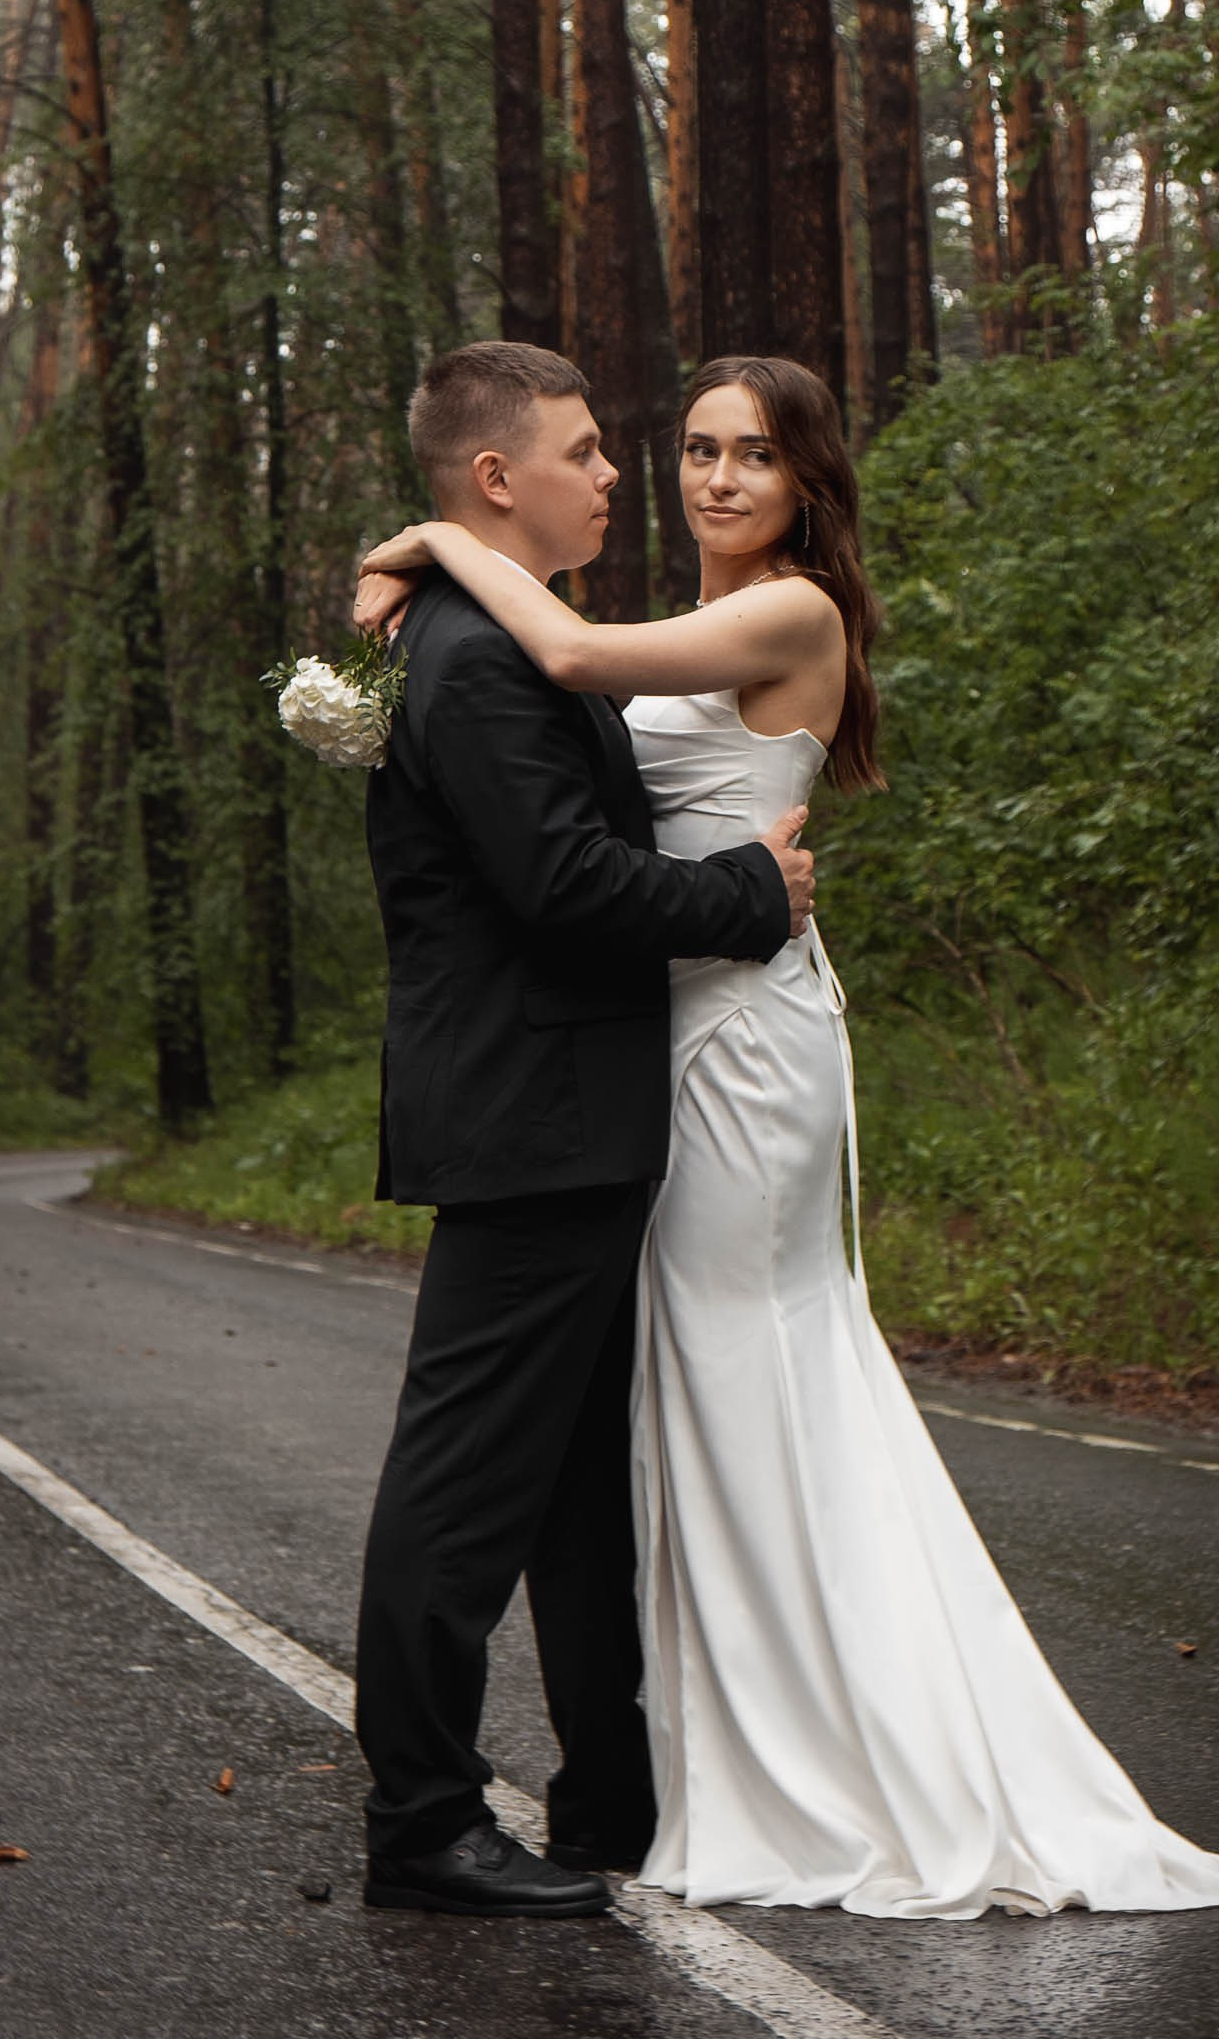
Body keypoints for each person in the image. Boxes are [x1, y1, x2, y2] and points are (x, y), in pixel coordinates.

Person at [355, 351, 1219, 1923]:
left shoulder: (781, 611)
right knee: (644, 1424)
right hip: (629, 1051)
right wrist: (439, 554)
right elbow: (565, 772)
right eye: (682, 449)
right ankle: (661, 1772)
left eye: (751, 455)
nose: (700, 478)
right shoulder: (611, 623)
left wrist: (427, 546)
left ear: (809, 484)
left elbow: (579, 664)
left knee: (747, 1380)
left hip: (737, 1043)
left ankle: (821, 1751)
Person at [351, 341, 817, 1920]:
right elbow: (565, 889)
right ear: (498, 479)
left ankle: (607, 1791)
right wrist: (753, 895)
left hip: (573, 1111)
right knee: (470, 1481)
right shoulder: (479, 659)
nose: (621, 474)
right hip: (531, 1112)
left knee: (568, 1490)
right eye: (587, 450)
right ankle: (422, 1820)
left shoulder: (489, 631)